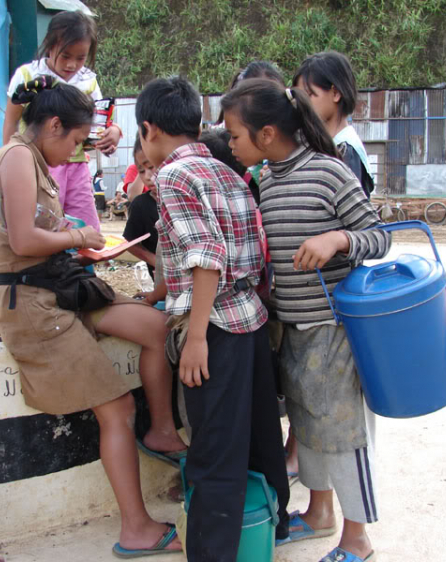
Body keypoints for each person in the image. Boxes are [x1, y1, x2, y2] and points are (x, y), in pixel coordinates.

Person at [0, 78, 186, 557]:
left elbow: (40, 233)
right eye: (75, 141)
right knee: (117, 410)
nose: (76, 152)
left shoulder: (30, 158)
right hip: (34, 306)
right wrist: (80, 238)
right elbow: (23, 242)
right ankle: (135, 527)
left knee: (156, 327)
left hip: (61, 289)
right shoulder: (16, 158)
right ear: (53, 125)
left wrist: (79, 241)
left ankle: (162, 430)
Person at [222, 78, 391, 562]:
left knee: (343, 433)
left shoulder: (330, 173)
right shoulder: (266, 179)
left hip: (334, 327)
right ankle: (319, 512)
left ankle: (357, 538)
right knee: (307, 424)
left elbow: (378, 237)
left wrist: (337, 239)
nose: (231, 145)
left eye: (235, 136)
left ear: (268, 133)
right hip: (292, 327)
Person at [136, 76, 290, 561]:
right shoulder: (226, 170)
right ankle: (272, 529)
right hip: (250, 320)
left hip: (217, 328)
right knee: (261, 438)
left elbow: (205, 254)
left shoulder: (173, 177)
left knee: (215, 455)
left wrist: (197, 336)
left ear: (148, 129)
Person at [2, 10, 122, 231]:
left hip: (77, 166)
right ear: (49, 45)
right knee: (43, 225)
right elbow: (10, 122)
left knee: (85, 227)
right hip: (37, 165)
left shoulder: (88, 81)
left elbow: (101, 124)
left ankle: (83, 266)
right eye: (65, 55)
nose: (72, 64)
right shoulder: (27, 76)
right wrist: (8, 164)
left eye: (80, 58)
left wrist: (113, 132)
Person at [293, 52, 375, 196]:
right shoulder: (326, 143)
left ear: (335, 93)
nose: (302, 104)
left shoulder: (346, 149)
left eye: (309, 95)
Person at [122, 138, 158, 278]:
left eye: (152, 167)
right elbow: (130, 242)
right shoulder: (141, 205)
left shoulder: (186, 198)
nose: (148, 177)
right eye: (141, 171)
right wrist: (155, 261)